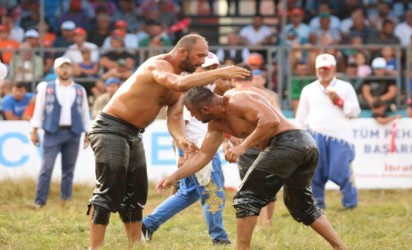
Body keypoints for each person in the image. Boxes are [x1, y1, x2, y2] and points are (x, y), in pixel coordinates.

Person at [86, 34, 250, 249]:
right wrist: (222, 71)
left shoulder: (182, 82)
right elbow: (178, 83)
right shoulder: (158, 66)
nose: (202, 61)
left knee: (136, 194)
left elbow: (174, 117)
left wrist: (181, 139)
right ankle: (94, 247)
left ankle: (135, 245)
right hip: (110, 129)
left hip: (134, 133)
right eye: (199, 56)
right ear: (183, 51)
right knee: (110, 190)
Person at [156, 86, 346, 250]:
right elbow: (204, 156)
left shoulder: (237, 98)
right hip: (302, 147)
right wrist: (174, 177)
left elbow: (270, 120)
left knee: (245, 197)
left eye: (193, 113)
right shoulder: (217, 124)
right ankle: (340, 246)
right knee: (301, 205)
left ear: (205, 108)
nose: (194, 117)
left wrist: (242, 146)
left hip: (291, 141)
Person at [141, 52, 231, 245]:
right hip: (198, 150)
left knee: (188, 193)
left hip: (200, 148)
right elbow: (180, 126)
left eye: (215, 69)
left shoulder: (205, 90)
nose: (213, 73)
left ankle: (148, 224)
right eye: (208, 69)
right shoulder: (190, 95)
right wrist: (182, 154)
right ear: (196, 69)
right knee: (214, 193)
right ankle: (220, 239)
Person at [295, 54, 361, 210]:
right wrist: (301, 135)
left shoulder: (345, 87)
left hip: (340, 136)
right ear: (316, 70)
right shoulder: (309, 89)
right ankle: (317, 204)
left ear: (334, 69)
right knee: (316, 172)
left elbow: (355, 112)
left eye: (326, 69)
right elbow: (301, 115)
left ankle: (350, 203)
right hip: (315, 134)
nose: (323, 72)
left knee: (341, 170)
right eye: (320, 69)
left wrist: (339, 102)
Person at [30, 57, 91, 208]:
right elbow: (39, 110)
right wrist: (34, 130)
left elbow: (84, 112)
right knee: (46, 168)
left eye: (68, 67)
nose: (65, 70)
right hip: (53, 132)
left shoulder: (79, 89)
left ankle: (65, 199)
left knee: (68, 169)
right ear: (56, 70)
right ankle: (40, 201)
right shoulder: (47, 87)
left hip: (73, 132)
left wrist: (87, 133)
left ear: (71, 69)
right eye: (62, 67)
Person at [227, 63, 280, 228]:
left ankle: (261, 224)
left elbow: (221, 122)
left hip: (245, 143)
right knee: (269, 183)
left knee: (251, 186)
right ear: (251, 77)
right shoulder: (264, 95)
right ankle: (267, 222)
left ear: (234, 79)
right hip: (268, 142)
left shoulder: (229, 94)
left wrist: (226, 140)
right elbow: (278, 119)